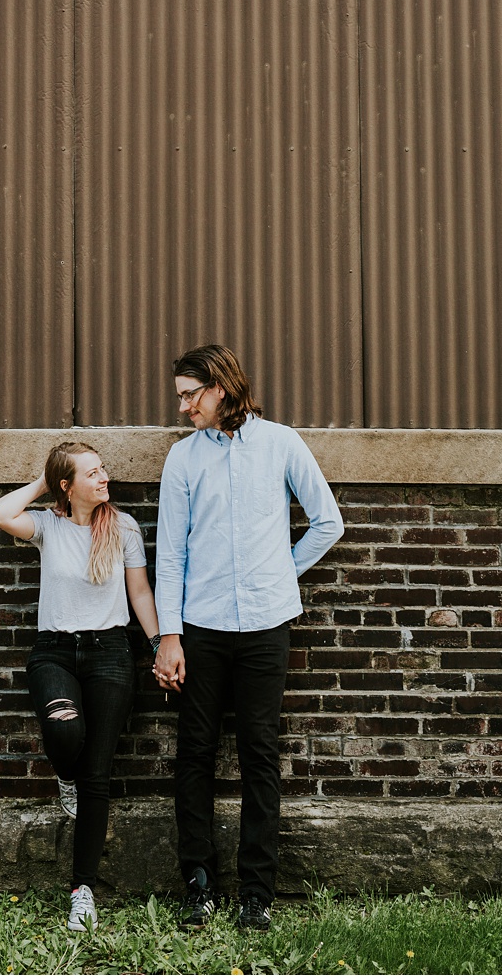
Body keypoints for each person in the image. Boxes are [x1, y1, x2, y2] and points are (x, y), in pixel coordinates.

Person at [153, 343, 344, 936]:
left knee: (261, 757)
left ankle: (256, 894)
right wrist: (169, 635)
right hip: (202, 628)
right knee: (195, 756)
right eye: (181, 396)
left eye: (191, 394)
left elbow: (327, 522)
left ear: (222, 387)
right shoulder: (183, 460)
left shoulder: (281, 443)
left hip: (266, 626)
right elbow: (171, 554)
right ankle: (199, 885)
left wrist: (278, 573)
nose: (183, 406)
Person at [0, 441, 162, 934]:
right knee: (66, 736)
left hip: (110, 654)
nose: (105, 478)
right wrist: (46, 480)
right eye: (92, 473)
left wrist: (156, 645)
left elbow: (140, 592)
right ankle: (64, 775)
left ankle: (81, 890)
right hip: (55, 652)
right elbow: (0, 512)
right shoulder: (47, 525)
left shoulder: (123, 527)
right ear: (68, 486)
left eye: (103, 469)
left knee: (99, 776)